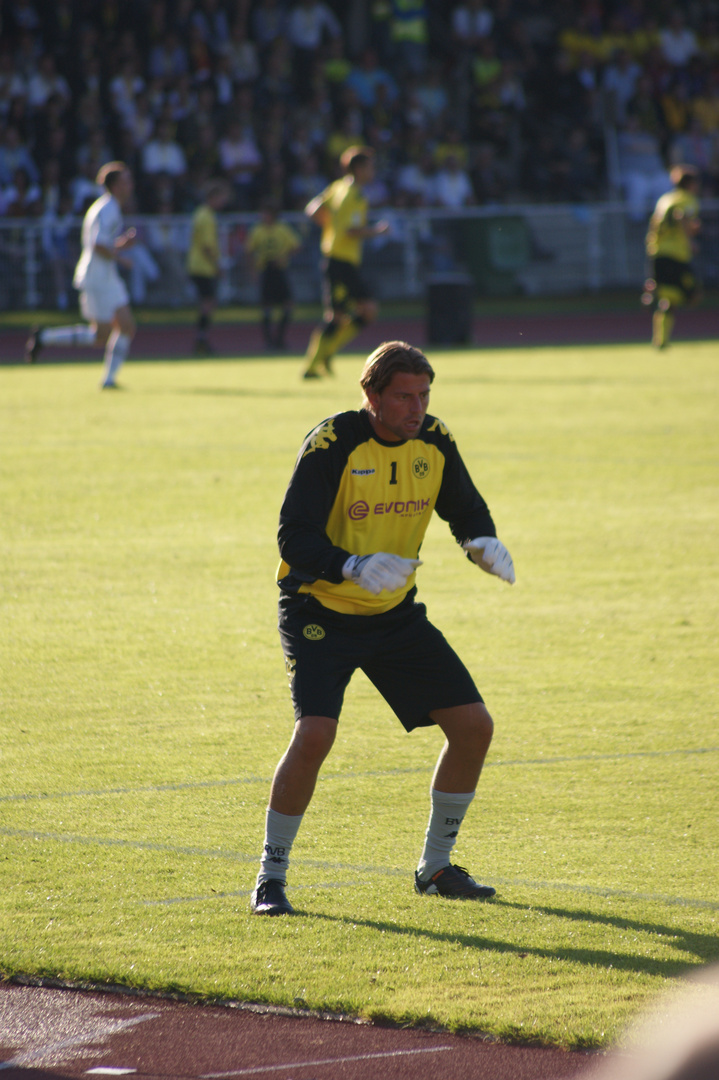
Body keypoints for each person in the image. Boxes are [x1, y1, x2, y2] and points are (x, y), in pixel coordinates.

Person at [251, 340, 516, 916]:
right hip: (318, 607)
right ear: (370, 396)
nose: (416, 408)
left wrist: (483, 543)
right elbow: (293, 536)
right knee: (316, 733)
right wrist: (350, 565)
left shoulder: (435, 440)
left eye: (423, 395)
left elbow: (464, 510)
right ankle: (270, 878)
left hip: (393, 614)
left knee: (473, 728)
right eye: (403, 396)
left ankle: (435, 867)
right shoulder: (332, 443)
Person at [25, 161, 138, 390]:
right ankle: (44, 338)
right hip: (96, 277)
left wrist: (120, 246)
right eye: (126, 180)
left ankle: (109, 380)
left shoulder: (109, 207)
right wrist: (120, 256)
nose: (130, 185)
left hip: (106, 275)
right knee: (101, 336)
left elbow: (103, 244)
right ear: (115, 185)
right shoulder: (107, 209)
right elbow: (98, 246)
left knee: (126, 325)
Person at [302, 145, 389, 380]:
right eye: (370, 167)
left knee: (351, 313)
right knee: (354, 312)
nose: (373, 172)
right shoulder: (355, 195)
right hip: (341, 261)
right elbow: (352, 231)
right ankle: (314, 363)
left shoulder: (338, 187)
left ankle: (323, 357)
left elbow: (313, 209)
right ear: (359, 169)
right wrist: (377, 231)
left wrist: (330, 225)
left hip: (337, 259)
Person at [641, 163, 702, 350]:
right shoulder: (687, 200)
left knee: (667, 299)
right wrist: (690, 238)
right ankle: (654, 295)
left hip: (657, 251)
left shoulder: (665, 199)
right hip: (676, 254)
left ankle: (660, 339)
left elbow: (654, 223)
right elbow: (680, 216)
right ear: (691, 185)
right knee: (693, 294)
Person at [245, 200, 302, 350]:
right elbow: (249, 251)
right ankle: (268, 340)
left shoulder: (282, 229)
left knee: (288, 305)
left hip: (279, 270)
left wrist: (283, 257)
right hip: (265, 270)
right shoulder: (257, 230)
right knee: (266, 306)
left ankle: (280, 338)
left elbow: (296, 246)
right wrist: (253, 271)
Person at [186, 179, 230, 356]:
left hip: (199, 266)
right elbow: (206, 246)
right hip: (202, 267)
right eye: (222, 198)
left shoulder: (202, 214)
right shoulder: (206, 216)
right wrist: (217, 266)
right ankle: (201, 339)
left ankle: (202, 339)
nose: (223, 202)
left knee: (207, 303)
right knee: (207, 303)